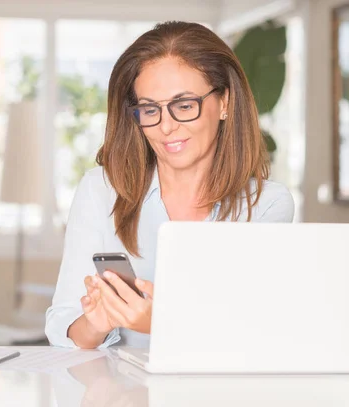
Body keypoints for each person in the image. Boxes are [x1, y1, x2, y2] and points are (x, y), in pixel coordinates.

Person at [45, 21, 295, 349]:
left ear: (224, 103)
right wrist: (97, 321)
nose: (166, 127)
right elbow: (63, 324)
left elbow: (253, 331)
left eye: (184, 106)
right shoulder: (101, 190)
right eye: (150, 109)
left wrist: (160, 321)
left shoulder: (266, 204)